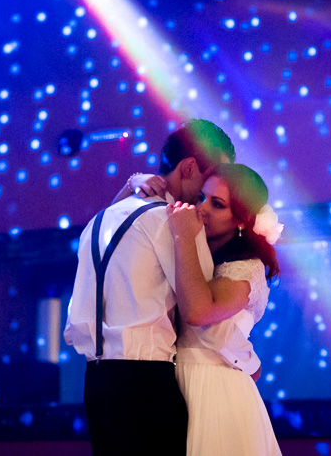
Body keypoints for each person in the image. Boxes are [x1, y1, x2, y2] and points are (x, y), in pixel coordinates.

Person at [64, 119, 241, 455]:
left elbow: (74, 326)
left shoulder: (99, 220)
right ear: (190, 167)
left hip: (95, 383)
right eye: (215, 175)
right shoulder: (174, 222)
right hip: (146, 383)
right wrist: (244, 359)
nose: (219, 185)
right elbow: (200, 309)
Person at [131, 164, 283, 455]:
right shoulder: (201, 256)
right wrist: (135, 183)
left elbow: (199, 312)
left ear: (242, 220)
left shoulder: (246, 268)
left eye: (217, 204)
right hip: (173, 383)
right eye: (202, 197)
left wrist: (183, 236)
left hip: (215, 388)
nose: (202, 208)